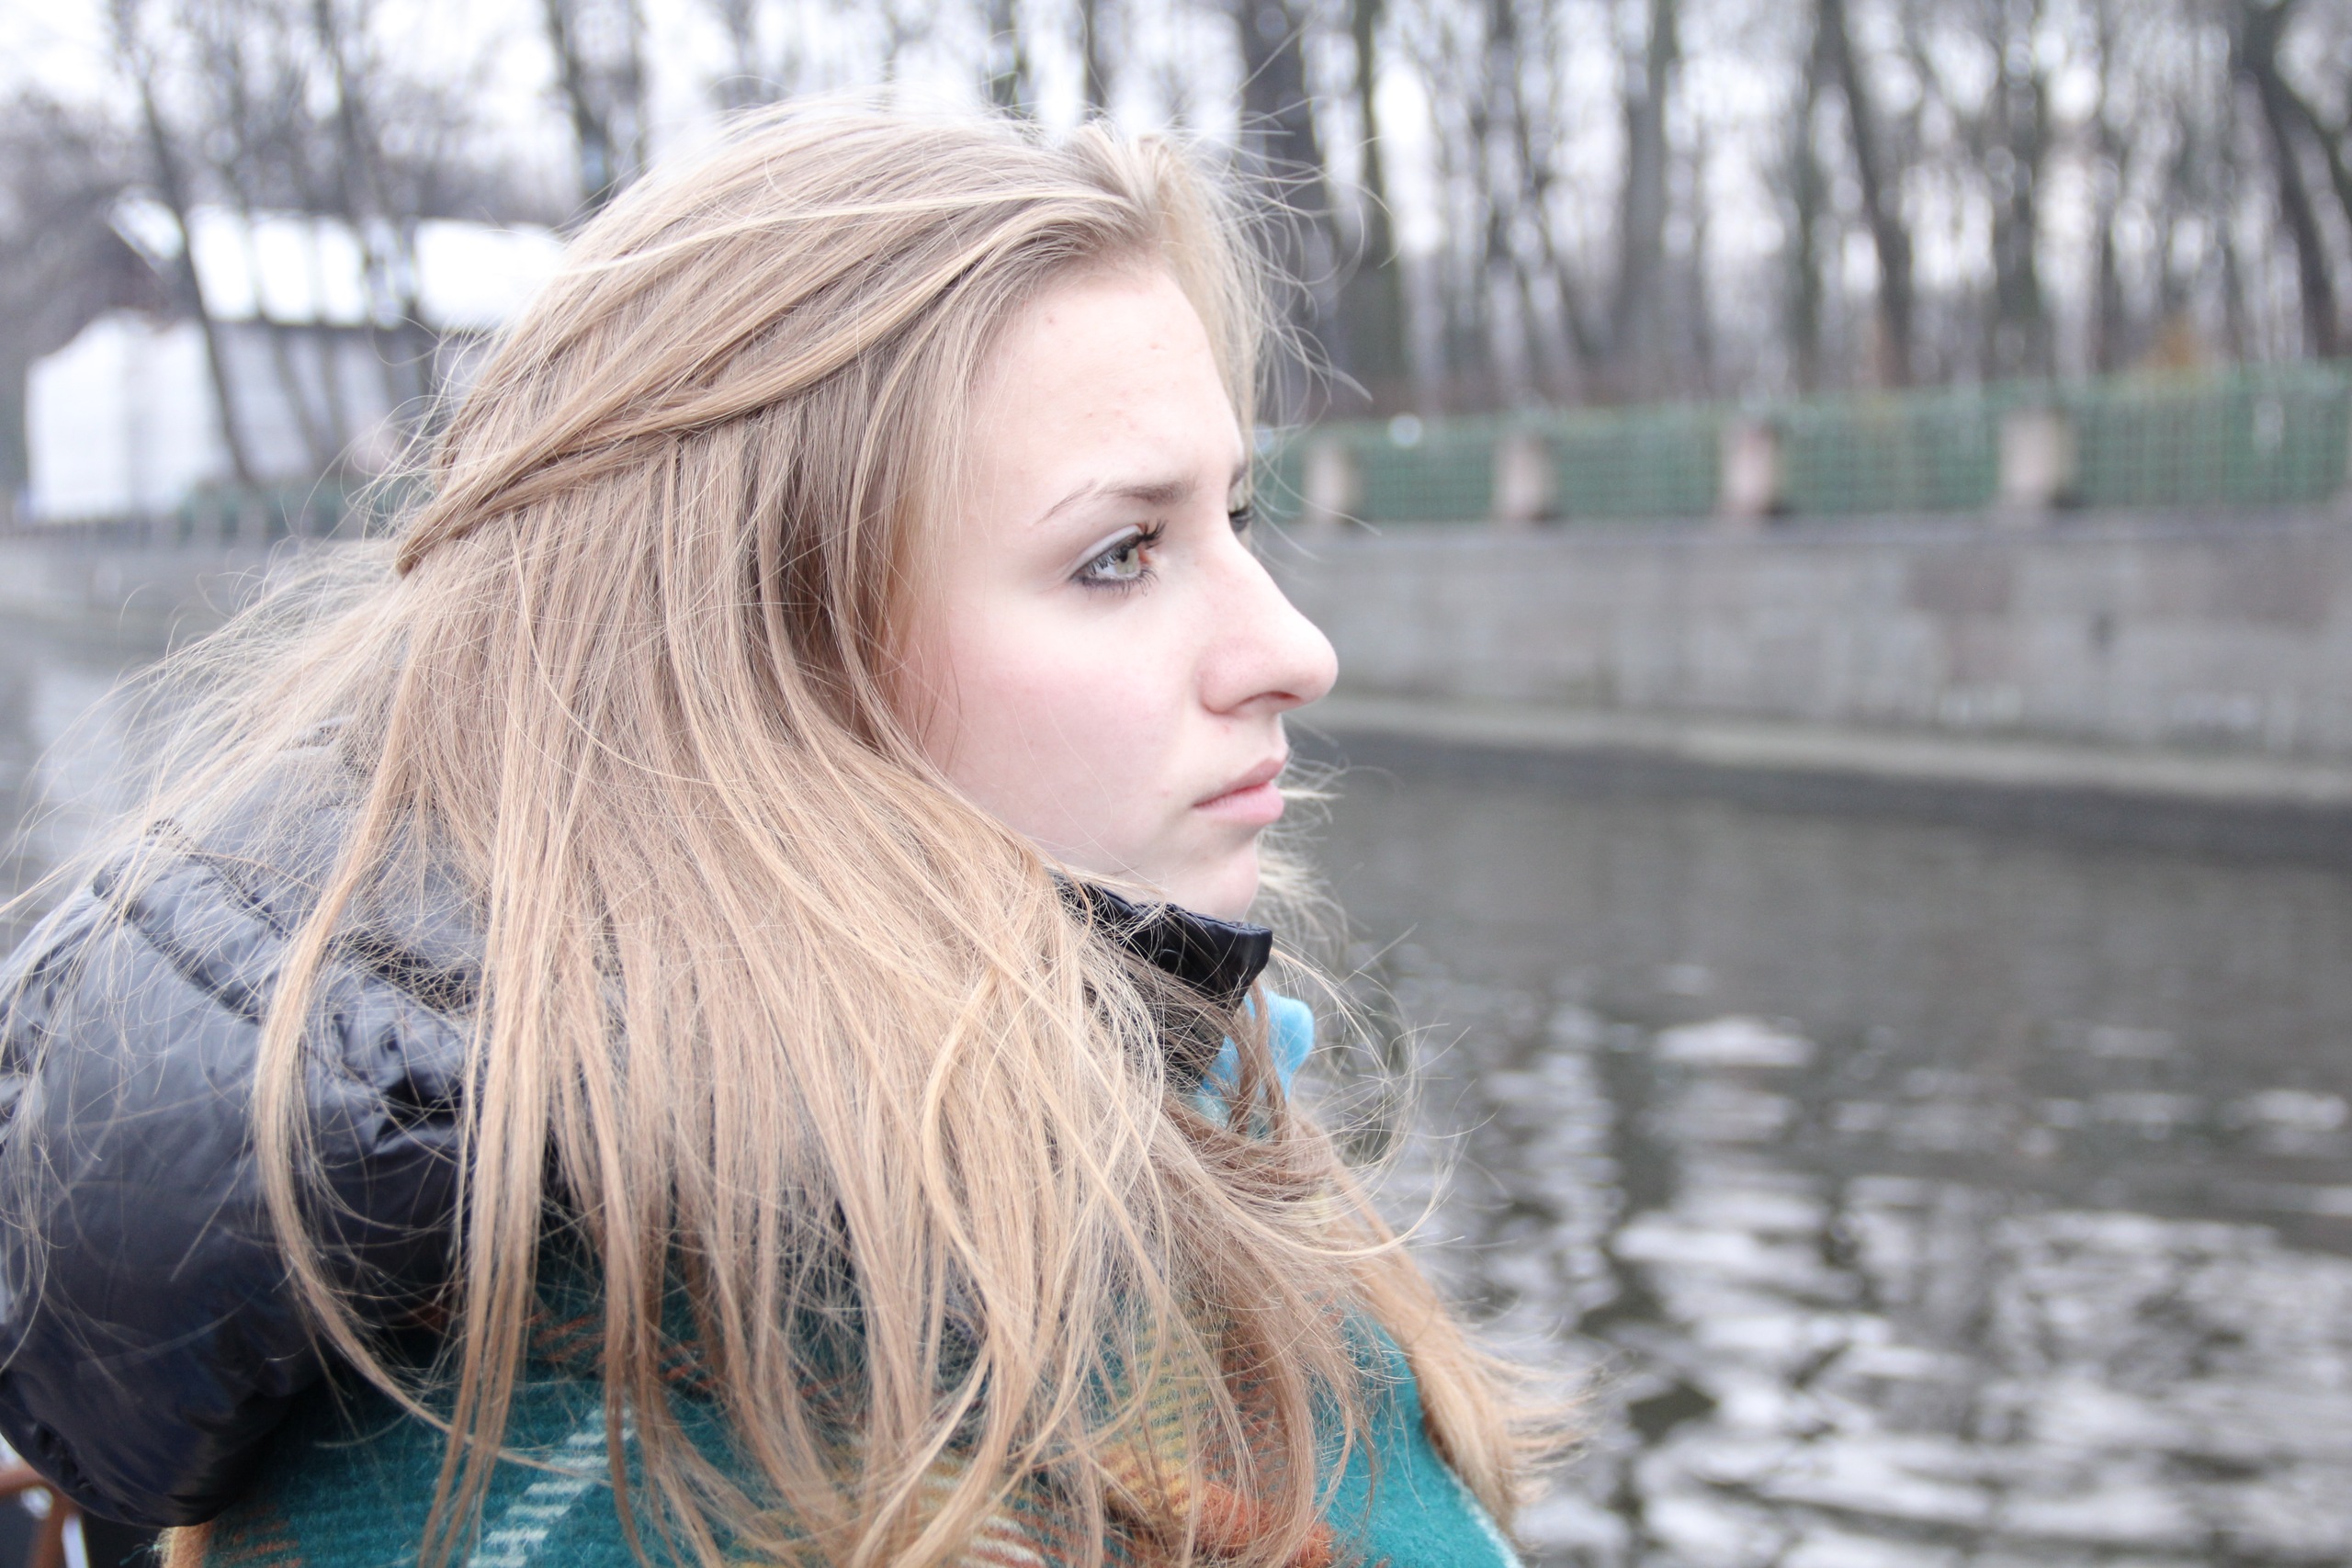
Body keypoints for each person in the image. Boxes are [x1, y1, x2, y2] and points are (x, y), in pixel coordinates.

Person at [0, 109, 1545, 1568]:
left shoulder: (1113, 1128)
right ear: (752, 671)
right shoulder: (671, 1455)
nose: (1295, 650)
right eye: (1120, 554)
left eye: (1237, 519)